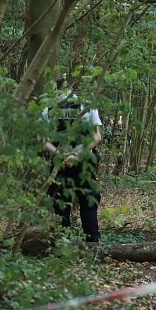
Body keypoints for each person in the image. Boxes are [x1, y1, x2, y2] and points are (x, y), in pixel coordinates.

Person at [42, 79, 103, 243]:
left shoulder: (48, 108)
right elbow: (97, 137)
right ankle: (92, 243)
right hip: (85, 162)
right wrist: (78, 156)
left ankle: (62, 243)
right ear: (72, 89)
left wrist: (60, 155)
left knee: (61, 204)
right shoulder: (87, 105)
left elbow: (42, 139)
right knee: (88, 202)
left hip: (60, 163)